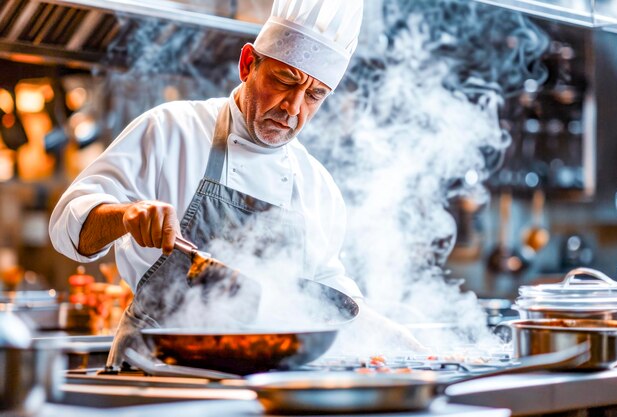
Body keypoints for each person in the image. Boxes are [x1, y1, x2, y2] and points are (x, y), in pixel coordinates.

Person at [50, 0, 424, 367]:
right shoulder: (170, 130)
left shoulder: (315, 185)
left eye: (314, 95)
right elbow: (68, 227)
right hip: (155, 375)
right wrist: (126, 215)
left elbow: (326, 299)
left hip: (260, 390)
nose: (293, 108)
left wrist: (402, 343)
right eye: (284, 80)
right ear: (248, 64)